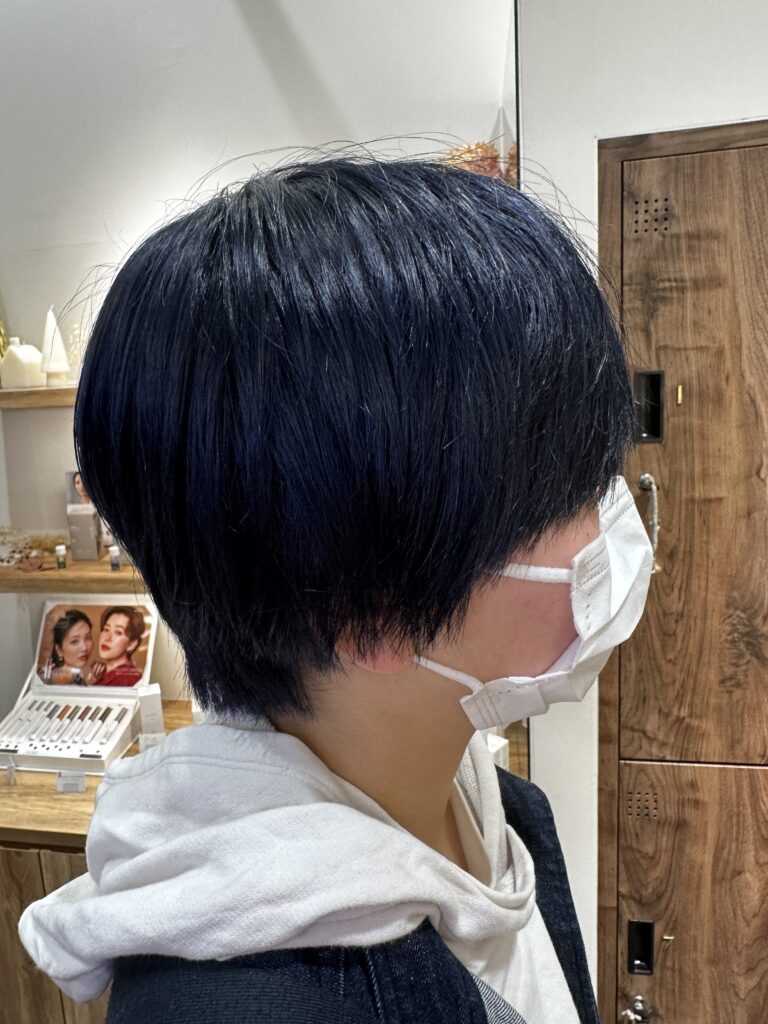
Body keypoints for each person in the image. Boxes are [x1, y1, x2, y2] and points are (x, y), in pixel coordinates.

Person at [18, 156, 653, 1024]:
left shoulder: (499, 816)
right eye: (569, 490)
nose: (611, 516)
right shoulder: (241, 1008)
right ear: (369, 612)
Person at [84, 606, 145, 686]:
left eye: (118, 632)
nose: (107, 637)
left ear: (132, 644)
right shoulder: (100, 673)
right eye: (106, 629)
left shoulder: (131, 679)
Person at [40, 609, 93, 685]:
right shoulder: (50, 679)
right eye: (74, 641)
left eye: (88, 638)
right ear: (59, 650)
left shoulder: (77, 677)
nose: (84, 648)